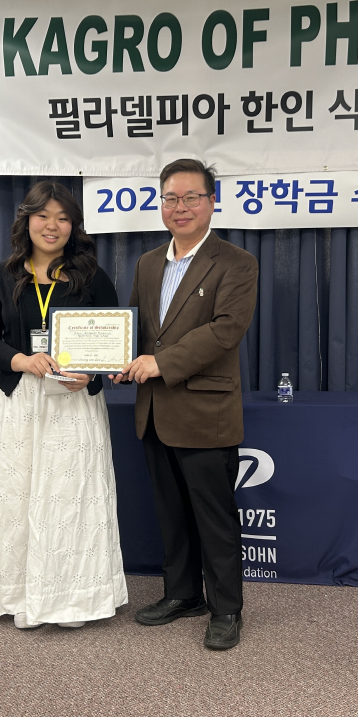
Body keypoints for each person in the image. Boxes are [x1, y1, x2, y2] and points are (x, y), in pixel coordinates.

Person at [111, 159, 258, 650]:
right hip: (154, 410)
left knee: (214, 517)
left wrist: (158, 362)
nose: (181, 207)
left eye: (192, 197)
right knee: (171, 513)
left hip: (204, 412)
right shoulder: (148, 262)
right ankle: (182, 594)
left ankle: (227, 608)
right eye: (171, 198)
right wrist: (120, 359)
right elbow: (139, 329)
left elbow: (225, 331)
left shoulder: (237, 262)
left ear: (212, 202)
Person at [0, 181, 128, 630]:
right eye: (43, 216)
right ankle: (21, 594)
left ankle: (73, 599)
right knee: (20, 498)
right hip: (22, 402)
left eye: (63, 218)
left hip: (74, 405)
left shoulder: (92, 276)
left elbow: (113, 342)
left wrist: (91, 374)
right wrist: (21, 359)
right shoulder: (1, 275)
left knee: (72, 499)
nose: (52, 225)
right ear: (27, 221)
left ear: (74, 226)